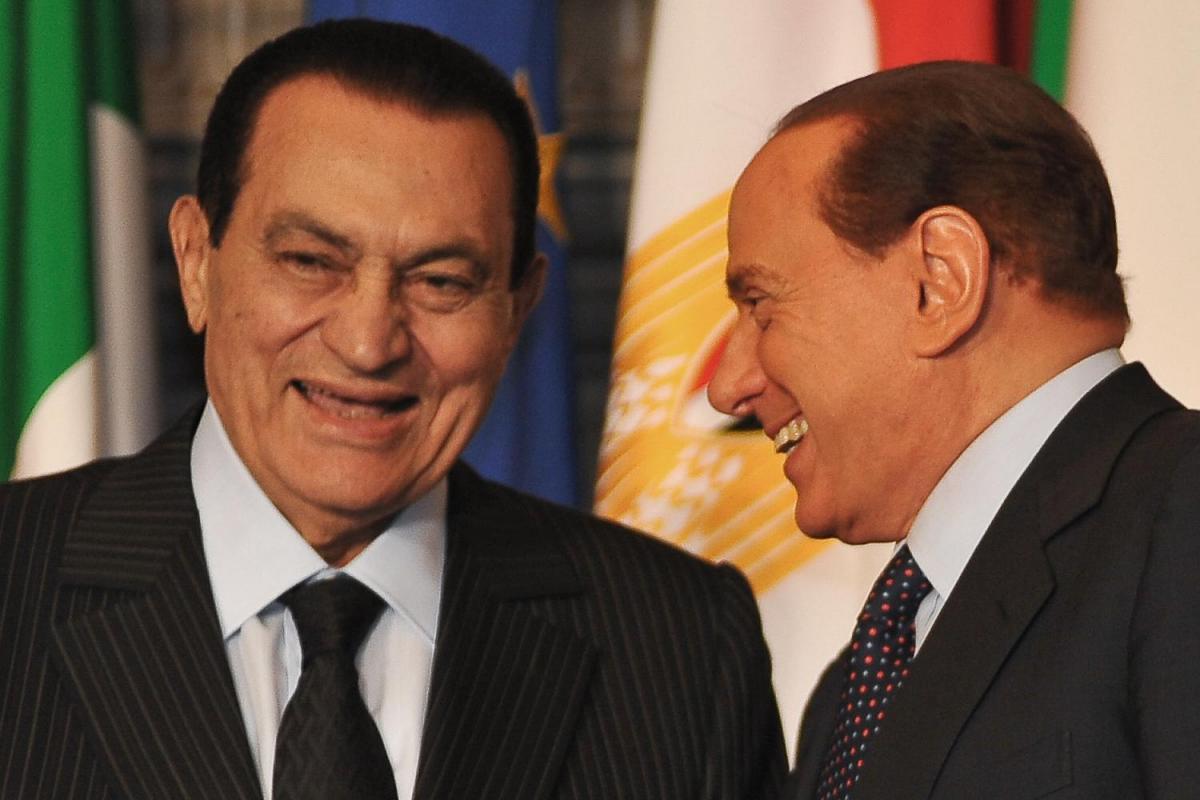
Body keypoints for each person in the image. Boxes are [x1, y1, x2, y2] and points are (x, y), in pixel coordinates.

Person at [0, 19, 785, 800]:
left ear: (518, 308)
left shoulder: (681, 648)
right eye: (311, 262)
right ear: (196, 262)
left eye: (441, 282)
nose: (369, 343)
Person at [708, 60, 1200, 800]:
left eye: (761, 305)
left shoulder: (1183, 519)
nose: (727, 387)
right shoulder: (853, 691)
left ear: (940, 279)